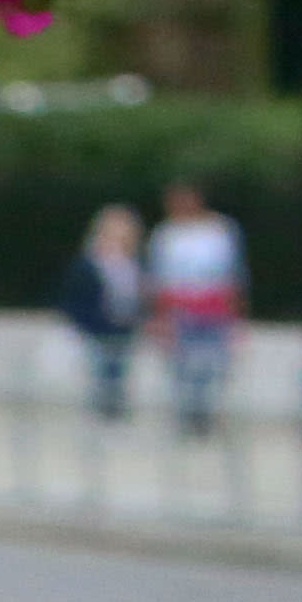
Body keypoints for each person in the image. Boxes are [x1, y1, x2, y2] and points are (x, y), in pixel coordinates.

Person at [148, 180, 248, 439]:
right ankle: (186, 417)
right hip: (179, 311)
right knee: (181, 368)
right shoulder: (165, 234)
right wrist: (159, 318)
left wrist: (237, 316)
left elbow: (235, 275)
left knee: (212, 367)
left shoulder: (220, 230)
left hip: (214, 310)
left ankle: (204, 416)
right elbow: (158, 279)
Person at [53, 202, 149, 422]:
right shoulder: (87, 264)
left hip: (124, 331)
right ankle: (100, 417)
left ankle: (113, 415)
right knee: (97, 377)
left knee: (118, 377)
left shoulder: (134, 264)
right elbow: (74, 300)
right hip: (94, 331)